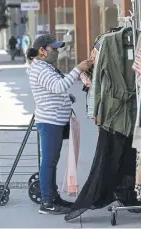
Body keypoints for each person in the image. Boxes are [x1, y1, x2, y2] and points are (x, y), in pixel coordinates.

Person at [26, 34, 92, 215]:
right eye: (53, 48)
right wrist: (78, 69)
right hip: (49, 122)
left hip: (54, 120)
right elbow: (58, 87)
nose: (56, 52)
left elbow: (53, 90)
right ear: (42, 50)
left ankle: (53, 197)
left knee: (52, 161)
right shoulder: (41, 69)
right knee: (49, 162)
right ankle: (47, 202)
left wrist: (65, 98)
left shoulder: (45, 67)